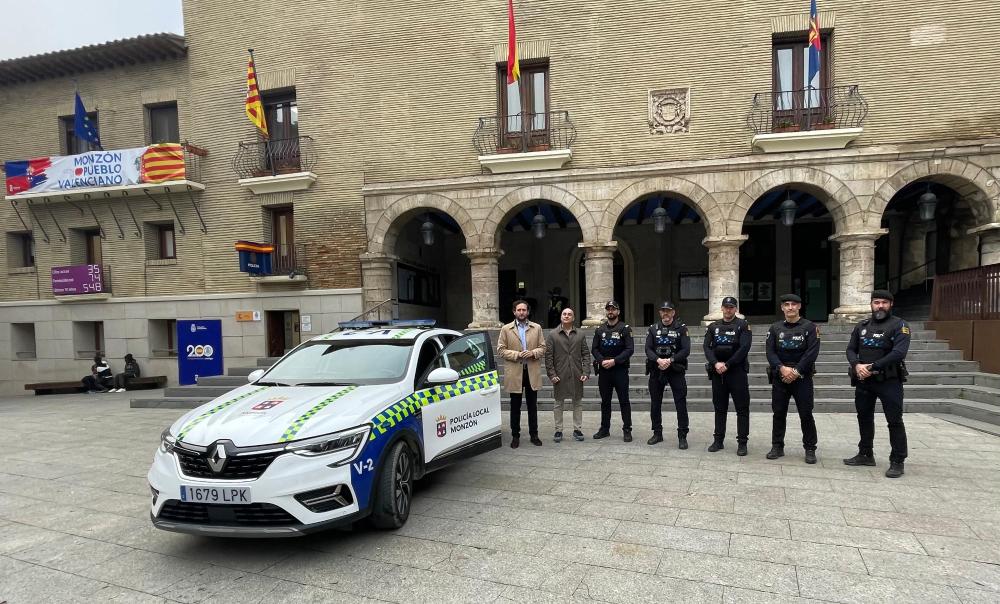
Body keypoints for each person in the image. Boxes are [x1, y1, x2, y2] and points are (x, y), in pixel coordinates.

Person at [844, 289, 911, 478]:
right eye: (876, 302)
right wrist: (856, 365)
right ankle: (865, 454)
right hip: (864, 380)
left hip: (889, 381)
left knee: (894, 421)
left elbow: (899, 353)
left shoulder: (900, 325)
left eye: (884, 302)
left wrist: (872, 366)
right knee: (864, 417)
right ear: (871, 304)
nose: (880, 306)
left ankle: (897, 460)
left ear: (891, 304)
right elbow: (850, 349)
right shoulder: (862, 325)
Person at [764, 294, 820, 464]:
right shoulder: (775, 328)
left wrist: (795, 371)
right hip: (780, 376)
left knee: (806, 414)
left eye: (793, 304)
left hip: (802, 376)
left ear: (799, 307)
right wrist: (782, 368)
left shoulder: (810, 327)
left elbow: (812, 353)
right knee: (779, 413)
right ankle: (777, 446)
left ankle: (810, 448)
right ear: (782, 308)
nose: (790, 307)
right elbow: (770, 352)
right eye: (786, 305)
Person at [703, 296, 752, 456]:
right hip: (718, 372)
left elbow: (744, 348)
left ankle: (742, 443)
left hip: (736, 372)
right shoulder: (713, 326)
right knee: (719, 408)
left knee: (742, 409)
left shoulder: (743, 325)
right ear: (722, 308)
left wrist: (728, 364)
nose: (728, 310)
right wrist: (715, 363)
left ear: (736, 309)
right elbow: (707, 347)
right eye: (726, 307)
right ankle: (718, 441)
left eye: (732, 307)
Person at [498, 299, 546, 448]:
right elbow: (500, 350)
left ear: (528, 312)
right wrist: (517, 354)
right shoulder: (506, 329)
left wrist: (532, 353)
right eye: (518, 310)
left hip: (531, 371)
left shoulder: (536, 328)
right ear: (514, 312)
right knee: (515, 406)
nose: (521, 312)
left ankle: (534, 435)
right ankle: (515, 436)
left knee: (532, 406)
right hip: (515, 373)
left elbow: (543, 347)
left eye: (524, 310)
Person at [644, 301, 690, 448]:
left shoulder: (681, 329)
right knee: (655, 404)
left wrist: (670, 360)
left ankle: (682, 436)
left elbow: (686, 350)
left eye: (668, 311)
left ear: (673, 313)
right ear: (660, 313)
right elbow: (648, 349)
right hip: (657, 369)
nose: (666, 314)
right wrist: (658, 360)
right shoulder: (653, 329)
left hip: (675, 369)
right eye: (663, 311)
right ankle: (657, 433)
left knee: (680, 403)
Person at [544, 307, 590, 442]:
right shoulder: (553, 334)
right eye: (564, 314)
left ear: (573, 318)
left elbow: (586, 354)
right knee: (558, 403)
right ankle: (558, 430)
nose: (566, 316)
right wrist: (552, 374)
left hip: (576, 373)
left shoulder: (580, 334)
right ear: (561, 317)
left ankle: (577, 429)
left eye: (569, 314)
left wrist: (585, 371)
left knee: (577, 403)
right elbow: (548, 357)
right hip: (560, 374)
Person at [591, 300, 634, 441]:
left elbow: (629, 349)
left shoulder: (625, 328)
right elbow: (594, 349)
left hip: (620, 370)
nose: (611, 311)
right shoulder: (600, 329)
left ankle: (627, 429)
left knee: (624, 401)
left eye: (613, 309)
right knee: (605, 401)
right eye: (608, 309)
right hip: (604, 370)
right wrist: (602, 361)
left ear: (618, 312)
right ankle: (604, 429)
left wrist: (614, 361)